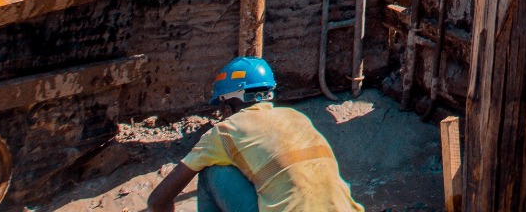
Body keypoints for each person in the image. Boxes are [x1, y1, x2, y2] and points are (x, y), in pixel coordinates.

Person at [146, 57, 363, 212]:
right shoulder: (297, 117)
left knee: (210, 169)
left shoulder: (225, 130)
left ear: (227, 107)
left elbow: (158, 200)